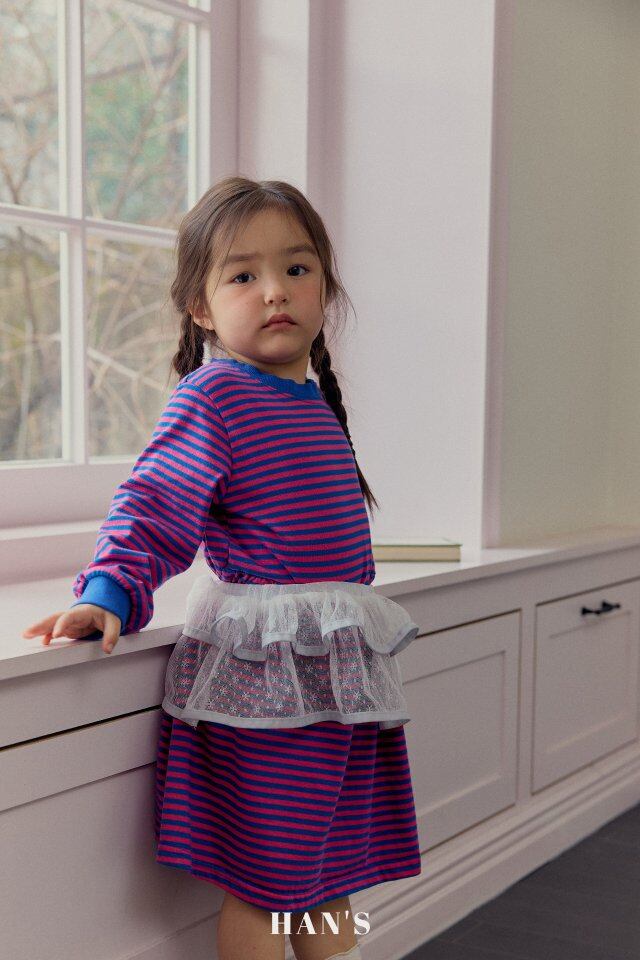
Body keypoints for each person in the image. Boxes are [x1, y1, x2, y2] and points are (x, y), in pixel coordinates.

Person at [22, 177, 422, 960]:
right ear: (200, 308)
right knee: (269, 884)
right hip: (268, 682)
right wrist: (108, 592)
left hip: (337, 678)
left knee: (328, 871)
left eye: (297, 269)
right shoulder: (213, 396)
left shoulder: (314, 402)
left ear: (325, 286)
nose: (275, 291)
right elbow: (153, 504)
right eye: (243, 275)